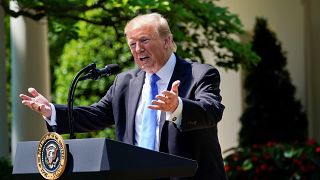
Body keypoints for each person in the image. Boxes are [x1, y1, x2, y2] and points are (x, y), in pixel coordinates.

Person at [20, 12, 227, 179]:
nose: (138, 50)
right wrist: (52, 111)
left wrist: (178, 107)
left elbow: (211, 110)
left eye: (144, 40)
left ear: (167, 41)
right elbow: (97, 114)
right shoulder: (125, 82)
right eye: (132, 44)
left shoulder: (199, 74)